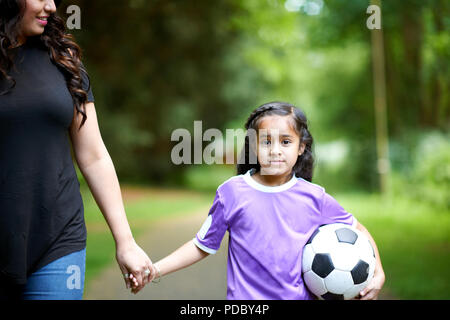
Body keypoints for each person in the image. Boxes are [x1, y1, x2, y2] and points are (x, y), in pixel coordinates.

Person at [132, 101, 385, 299]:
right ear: (253, 146)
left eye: (285, 142)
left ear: (301, 147)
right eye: (266, 142)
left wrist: (378, 272)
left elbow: (358, 230)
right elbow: (202, 245)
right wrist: (155, 269)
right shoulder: (231, 192)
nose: (275, 150)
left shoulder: (314, 197)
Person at [0, 0, 155, 299]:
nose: (51, 6)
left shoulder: (63, 58)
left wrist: (125, 241)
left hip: (58, 237)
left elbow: (94, 155)